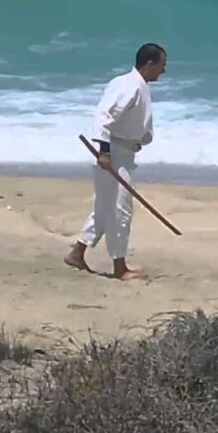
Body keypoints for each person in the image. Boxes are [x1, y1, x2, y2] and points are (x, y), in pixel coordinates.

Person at [64, 43, 167, 280]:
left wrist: (136, 141)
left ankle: (77, 254)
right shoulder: (130, 85)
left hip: (122, 151)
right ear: (149, 64)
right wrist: (105, 152)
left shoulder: (134, 85)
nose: (164, 70)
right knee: (121, 209)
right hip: (114, 154)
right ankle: (120, 268)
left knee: (105, 208)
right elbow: (104, 116)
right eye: (162, 65)